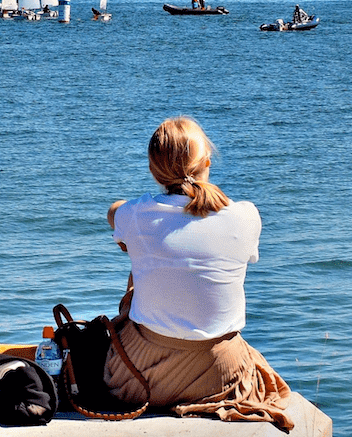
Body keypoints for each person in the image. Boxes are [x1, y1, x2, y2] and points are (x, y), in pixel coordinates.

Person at [104, 118, 294, 430]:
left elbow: (114, 211)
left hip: (139, 377)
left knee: (136, 276)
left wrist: (132, 234)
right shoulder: (245, 216)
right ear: (207, 162)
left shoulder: (132, 215)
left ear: (153, 170)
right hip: (222, 376)